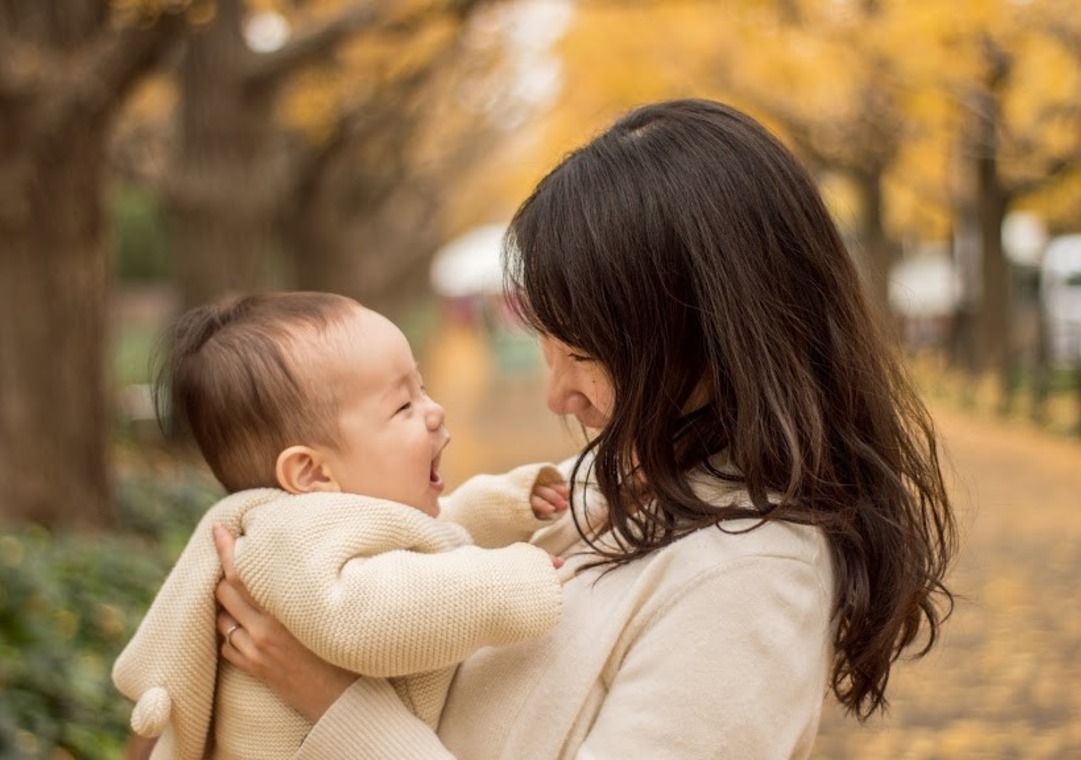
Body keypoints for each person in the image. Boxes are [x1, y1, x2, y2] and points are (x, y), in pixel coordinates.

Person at [210, 99, 959, 759]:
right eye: (549, 348)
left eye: (585, 354)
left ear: (711, 338)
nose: (557, 395)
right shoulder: (623, 488)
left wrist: (335, 707)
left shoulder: (752, 579)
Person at [114, 292, 567, 760]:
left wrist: (503, 508)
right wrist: (513, 582)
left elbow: (425, 537)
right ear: (311, 474)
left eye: (422, 388)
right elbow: (365, 612)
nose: (434, 411)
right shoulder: (288, 534)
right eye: (402, 407)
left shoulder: (319, 521)